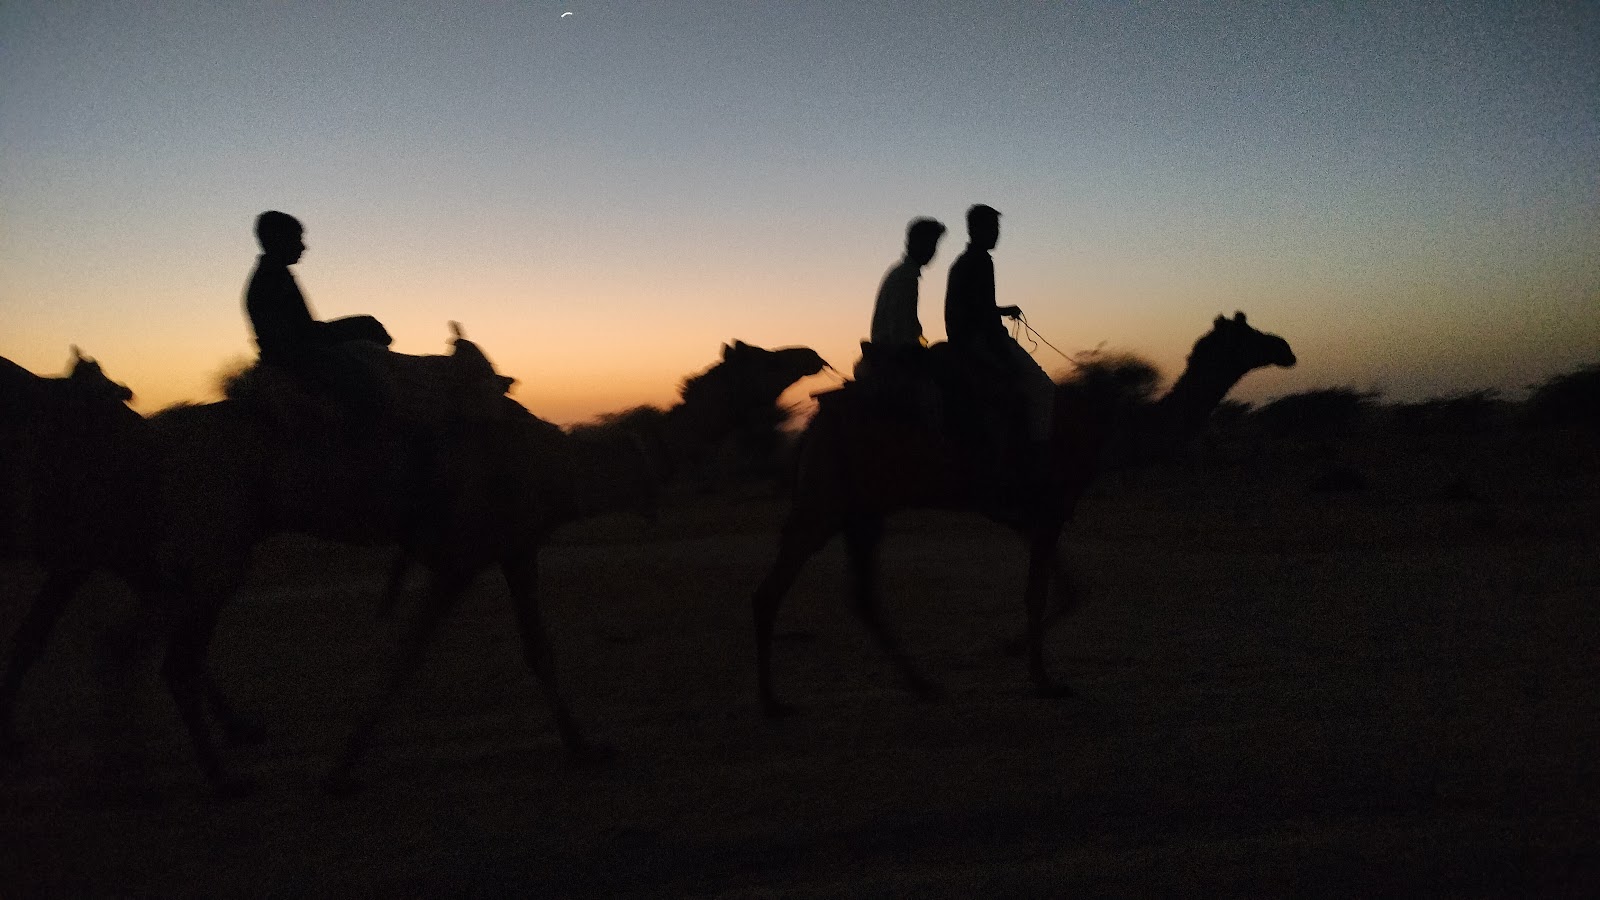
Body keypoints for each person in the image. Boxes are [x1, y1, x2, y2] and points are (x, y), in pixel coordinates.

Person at [244, 210, 392, 425]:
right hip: (297, 352)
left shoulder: (275, 275)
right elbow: (294, 337)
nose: (303, 247)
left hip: (301, 345)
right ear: (278, 239)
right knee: (367, 349)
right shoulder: (271, 279)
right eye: (297, 239)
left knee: (368, 327)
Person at [943, 204, 1054, 474]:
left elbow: (975, 306)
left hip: (965, 338)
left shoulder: (963, 262)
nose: (996, 234)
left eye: (996, 228)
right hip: (980, 339)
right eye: (992, 228)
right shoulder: (981, 261)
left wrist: (1002, 311)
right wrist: (1002, 350)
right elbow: (980, 312)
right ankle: (1040, 458)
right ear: (976, 230)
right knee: (1042, 387)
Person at [869, 217, 945, 349]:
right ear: (914, 243)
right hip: (894, 353)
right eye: (929, 244)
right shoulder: (905, 278)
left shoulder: (902, 273)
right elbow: (901, 330)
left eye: (934, 245)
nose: (932, 251)